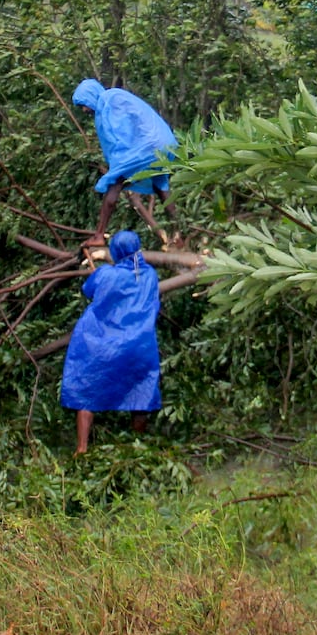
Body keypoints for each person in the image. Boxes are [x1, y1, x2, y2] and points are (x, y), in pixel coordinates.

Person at [61, 230, 161, 454]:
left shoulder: (105, 274)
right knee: (140, 390)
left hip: (101, 344)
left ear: (115, 252)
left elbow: (88, 290)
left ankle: (82, 448)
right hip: (140, 345)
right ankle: (138, 446)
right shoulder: (150, 275)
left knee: (87, 387)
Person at [71, 78, 184, 251]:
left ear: (91, 95)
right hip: (162, 143)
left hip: (147, 145)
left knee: (114, 183)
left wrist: (118, 167)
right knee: (161, 185)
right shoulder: (114, 98)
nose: (85, 110)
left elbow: (117, 136)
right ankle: (178, 235)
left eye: (84, 104)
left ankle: (99, 236)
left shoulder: (108, 101)